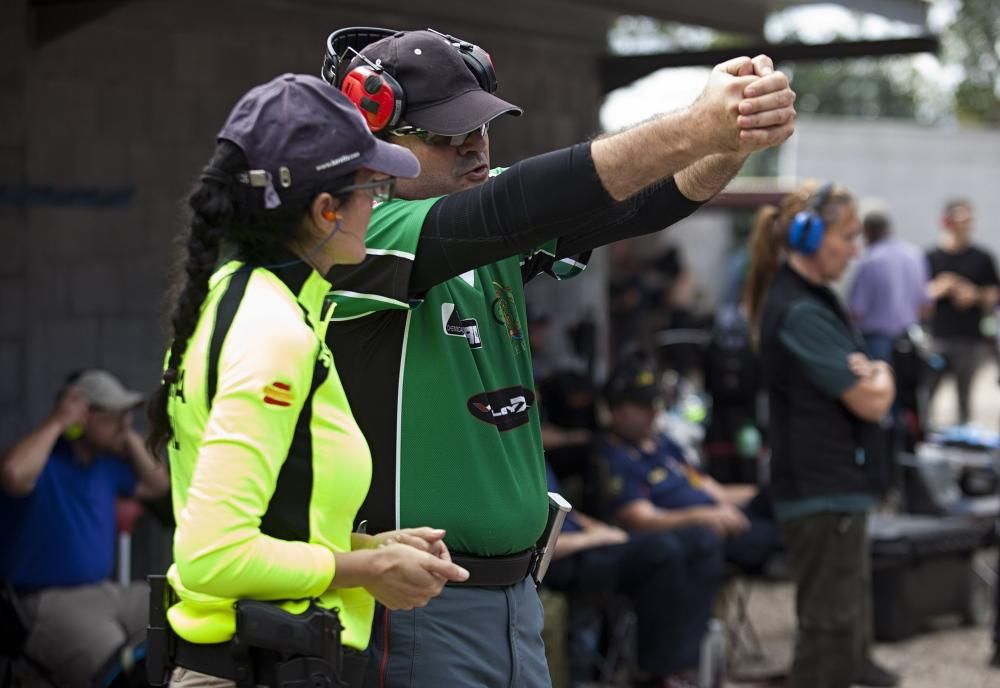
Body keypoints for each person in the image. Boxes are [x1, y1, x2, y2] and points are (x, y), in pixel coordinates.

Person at [319, 27, 795, 688]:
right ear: (374, 144)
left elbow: (646, 199)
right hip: (416, 606)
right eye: (446, 134)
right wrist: (693, 125)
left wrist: (729, 137)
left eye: (480, 126)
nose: (474, 145)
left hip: (511, 598)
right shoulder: (360, 235)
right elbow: (527, 200)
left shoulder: (477, 221)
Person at [144, 74, 468, 688]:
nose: (379, 203)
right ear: (326, 211)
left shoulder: (238, 300)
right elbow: (215, 556)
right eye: (372, 188)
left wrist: (368, 550)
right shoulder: (272, 331)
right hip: (260, 666)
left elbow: (265, 520)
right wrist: (364, 571)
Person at [743, 182, 899, 688]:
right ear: (809, 236)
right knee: (827, 637)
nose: (857, 251)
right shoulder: (802, 310)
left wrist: (871, 371)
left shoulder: (813, 299)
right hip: (821, 491)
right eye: (848, 237)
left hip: (833, 488)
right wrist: (883, 374)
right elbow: (871, 401)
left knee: (846, 620)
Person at [0, 369, 170, 687]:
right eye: (114, 415)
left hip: (104, 591)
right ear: (83, 416)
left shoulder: (106, 465)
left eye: (127, 415)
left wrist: (127, 438)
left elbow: (159, 485)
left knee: (175, 613)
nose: (125, 422)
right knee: (120, 672)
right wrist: (58, 421)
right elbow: (12, 473)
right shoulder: (43, 462)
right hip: (48, 600)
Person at [543, 462, 721, 688]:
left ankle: (682, 661)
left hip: (590, 544)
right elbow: (539, 546)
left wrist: (600, 529)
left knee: (700, 541)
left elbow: (569, 514)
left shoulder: (535, 455)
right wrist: (597, 537)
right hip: (565, 561)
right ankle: (654, 671)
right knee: (661, 552)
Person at [596, 358, 780, 577]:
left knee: (781, 499)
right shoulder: (615, 457)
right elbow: (641, 520)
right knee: (777, 537)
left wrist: (770, 492)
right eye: (642, 406)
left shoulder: (663, 444)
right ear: (616, 410)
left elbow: (715, 490)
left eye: (654, 404)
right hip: (694, 533)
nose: (653, 412)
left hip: (721, 515)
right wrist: (704, 516)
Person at [925, 199, 1000, 425]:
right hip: (938, 336)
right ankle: (922, 435)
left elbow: (994, 293)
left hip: (970, 338)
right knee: (927, 392)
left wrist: (974, 294)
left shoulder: (982, 257)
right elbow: (919, 295)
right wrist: (941, 287)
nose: (966, 224)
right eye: (961, 219)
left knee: (965, 397)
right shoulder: (932, 257)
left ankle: (963, 439)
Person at [848, 209, 928, 363]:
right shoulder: (914, 254)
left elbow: (857, 309)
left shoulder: (870, 260)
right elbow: (925, 303)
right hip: (910, 336)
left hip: (876, 339)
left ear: (868, 231)